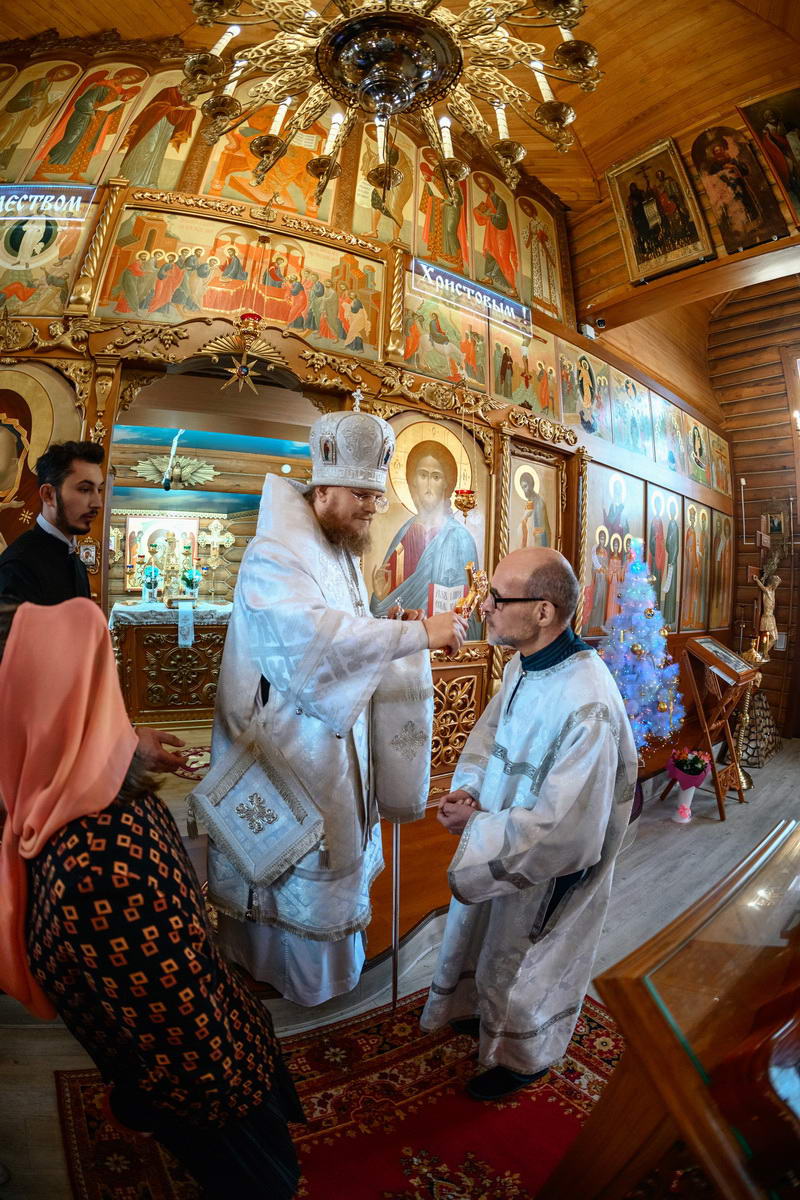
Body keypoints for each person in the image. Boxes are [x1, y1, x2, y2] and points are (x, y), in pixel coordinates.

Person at [0, 597, 303, 1198]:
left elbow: (182, 1031)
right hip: (208, 1075)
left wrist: (145, 1105)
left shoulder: (82, 841)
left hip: (205, 1088)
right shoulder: (89, 814)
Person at [209, 404, 467, 1006]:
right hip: (286, 745)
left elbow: (349, 628)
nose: (374, 508)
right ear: (322, 489)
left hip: (330, 739)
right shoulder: (276, 553)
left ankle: (325, 976)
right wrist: (415, 634)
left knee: (335, 850)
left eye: (377, 496)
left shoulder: (339, 548)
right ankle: (283, 977)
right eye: (362, 496)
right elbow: (310, 645)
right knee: (289, 864)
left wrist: (390, 621)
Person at [420, 547, 637, 1101]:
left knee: (527, 962)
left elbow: (568, 831)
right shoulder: (524, 664)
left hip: (548, 870)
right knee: (487, 941)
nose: (484, 606)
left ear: (543, 612)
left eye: (497, 597)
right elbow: (490, 736)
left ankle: (525, 1057)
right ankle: (481, 1012)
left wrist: (478, 826)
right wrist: (471, 787)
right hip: (502, 834)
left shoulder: (587, 703)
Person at [0, 439, 191, 775]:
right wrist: (121, 742)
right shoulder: (19, 567)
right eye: (85, 489)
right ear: (48, 494)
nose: (97, 502)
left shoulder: (71, 558)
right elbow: (28, 684)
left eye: (99, 490)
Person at [370, 439, 481, 639]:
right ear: (413, 481)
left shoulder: (460, 538)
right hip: (403, 644)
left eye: (436, 477)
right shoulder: (404, 534)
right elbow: (381, 614)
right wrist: (379, 597)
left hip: (443, 643)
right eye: (423, 475)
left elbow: (470, 608)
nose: (428, 485)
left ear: (446, 483)